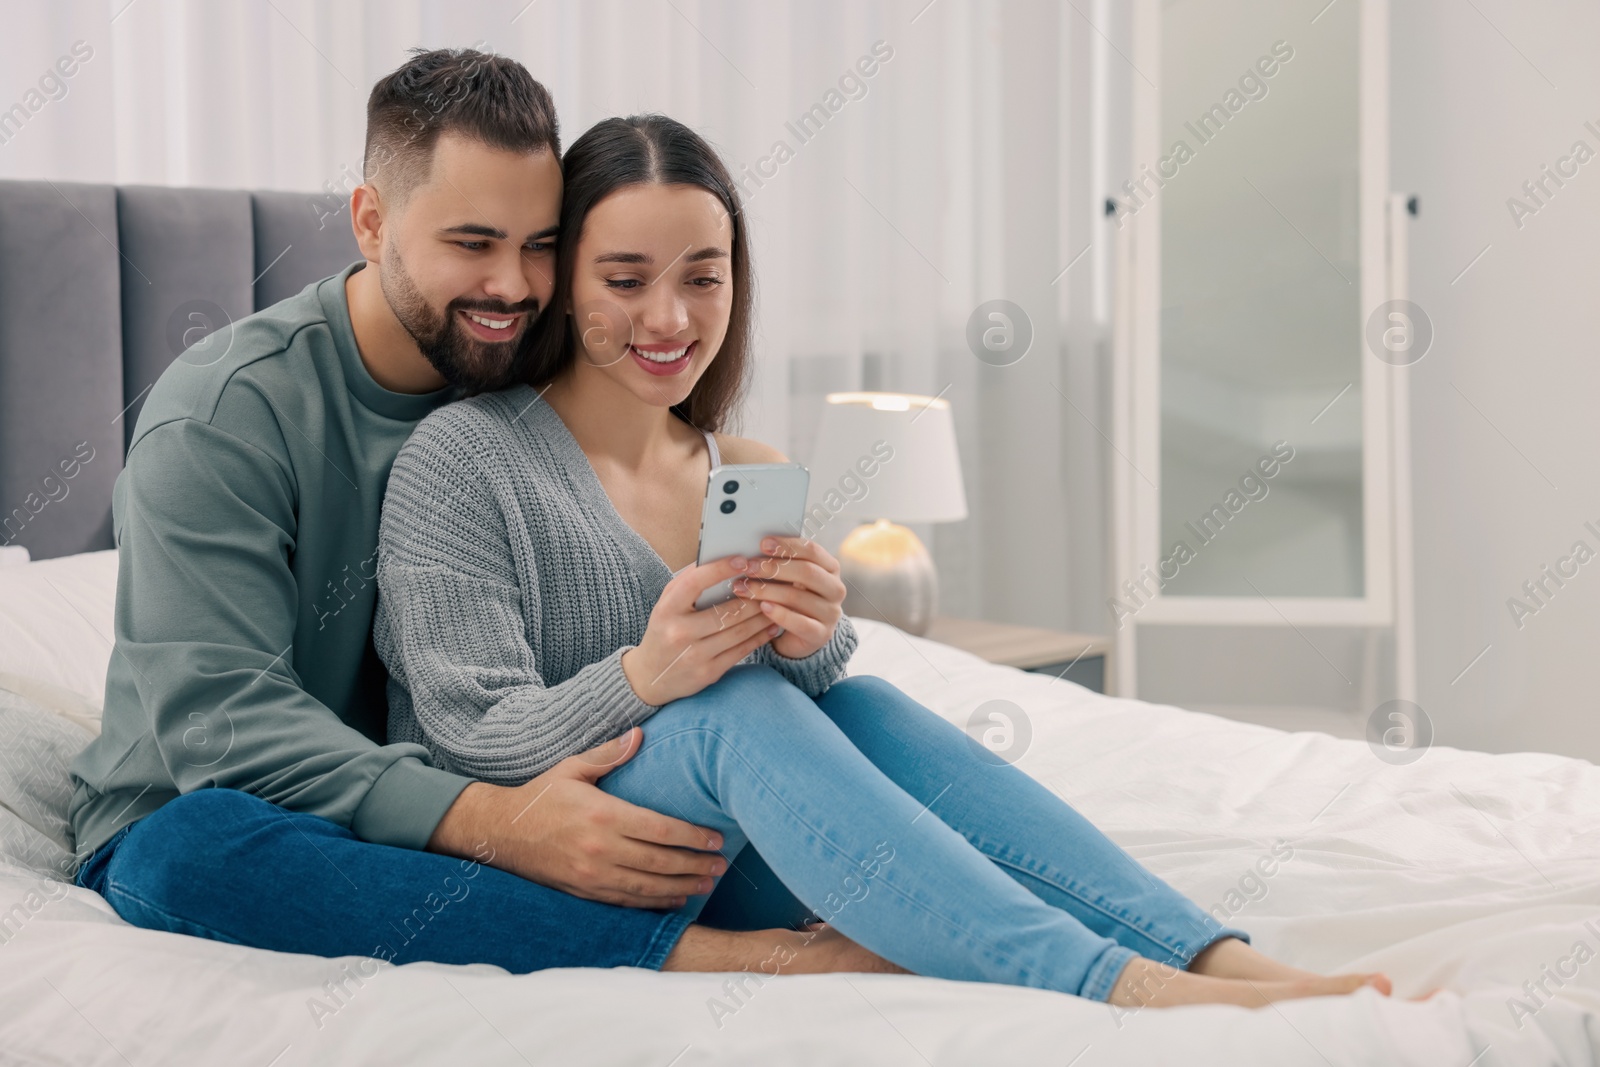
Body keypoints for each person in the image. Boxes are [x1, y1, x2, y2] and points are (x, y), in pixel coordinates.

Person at [372, 112, 1393, 1008]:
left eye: (701, 277)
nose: (670, 318)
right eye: (624, 280)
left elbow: (799, 707)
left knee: (865, 707)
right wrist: (650, 674)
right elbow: (466, 738)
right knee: (727, 709)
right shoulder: (464, 463)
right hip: (575, 848)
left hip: (730, 848)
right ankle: (1108, 983)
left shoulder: (746, 465)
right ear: (563, 286)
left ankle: (1210, 958)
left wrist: (817, 634)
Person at [67, 47, 882, 977]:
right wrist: (492, 823)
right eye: (472, 243)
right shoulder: (224, 416)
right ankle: (719, 958)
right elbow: (223, 725)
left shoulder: (521, 385)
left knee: (849, 720)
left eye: (540, 246)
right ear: (372, 221)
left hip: (478, 785)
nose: (513, 287)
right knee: (192, 848)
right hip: (238, 805)